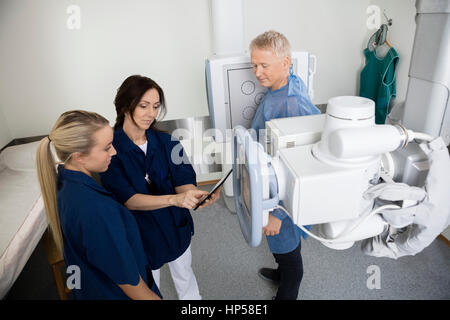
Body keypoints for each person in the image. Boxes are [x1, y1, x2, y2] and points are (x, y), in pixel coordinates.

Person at [100, 75, 220, 300]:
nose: (151, 114)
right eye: (143, 106)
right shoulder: (111, 150)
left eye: (155, 107)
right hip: (141, 234)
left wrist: (194, 194)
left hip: (175, 226)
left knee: (184, 274)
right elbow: (130, 199)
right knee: (149, 285)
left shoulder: (168, 142)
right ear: (125, 106)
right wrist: (173, 200)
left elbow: (183, 180)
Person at [36, 110, 162, 300]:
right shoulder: (94, 208)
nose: (114, 152)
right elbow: (130, 283)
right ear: (79, 156)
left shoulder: (66, 183)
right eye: (107, 147)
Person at [249, 30, 321, 300]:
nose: (257, 72)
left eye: (264, 65)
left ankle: (288, 292)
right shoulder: (286, 84)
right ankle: (282, 272)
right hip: (270, 178)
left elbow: (300, 165)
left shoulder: (290, 104)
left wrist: (277, 215)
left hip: (282, 196)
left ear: (286, 63)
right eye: (254, 65)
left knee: (286, 247)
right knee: (282, 246)